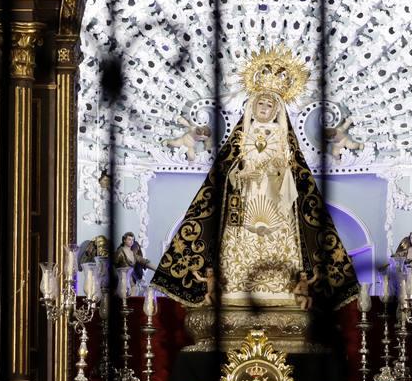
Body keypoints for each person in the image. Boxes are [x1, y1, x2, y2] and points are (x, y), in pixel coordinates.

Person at [151, 45, 358, 307]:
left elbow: (293, 174)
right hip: (246, 200)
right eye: (260, 102)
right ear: (252, 106)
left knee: (279, 238)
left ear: (277, 110)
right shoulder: (241, 137)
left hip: (276, 201)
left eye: (270, 104)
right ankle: (236, 288)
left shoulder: (283, 137)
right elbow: (225, 175)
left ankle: (282, 290)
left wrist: (275, 170)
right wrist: (241, 172)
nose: (264, 107)